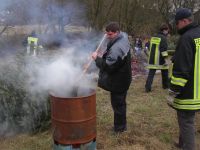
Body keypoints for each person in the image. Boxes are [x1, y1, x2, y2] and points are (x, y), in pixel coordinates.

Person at [168, 8, 200, 150]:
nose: (176, 26)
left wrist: (173, 91)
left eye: (177, 23)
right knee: (187, 120)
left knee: (186, 122)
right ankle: (182, 144)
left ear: (184, 21)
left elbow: (181, 70)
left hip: (189, 92)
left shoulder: (186, 38)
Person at [91, 22, 132, 133]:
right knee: (120, 103)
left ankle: (119, 129)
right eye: (107, 34)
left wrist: (96, 59)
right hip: (124, 77)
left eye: (110, 34)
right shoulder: (123, 37)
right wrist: (102, 53)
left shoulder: (117, 48)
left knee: (118, 104)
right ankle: (122, 126)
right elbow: (110, 52)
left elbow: (108, 67)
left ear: (117, 32)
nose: (108, 36)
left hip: (119, 81)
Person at [145, 23, 169, 92]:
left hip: (152, 59)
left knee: (151, 74)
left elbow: (149, 47)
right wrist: (166, 59)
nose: (167, 32)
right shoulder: (163, 38)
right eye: (167, 31)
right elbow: (163, 50)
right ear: (164, 30)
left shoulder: (154, 37)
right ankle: (165, 86)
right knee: (165, 72)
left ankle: (147, 88)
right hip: (160, 59)